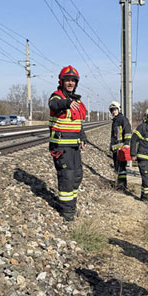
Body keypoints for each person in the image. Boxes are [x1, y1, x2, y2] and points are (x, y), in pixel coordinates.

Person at [48, 66, 87, 222]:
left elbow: (78, 123)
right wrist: (66, 103)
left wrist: (83, 137)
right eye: (67, 80)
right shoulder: (56, 97)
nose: (70, 83)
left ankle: (71, 205)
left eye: (73, 80)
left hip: (74, 146)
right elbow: (54, 105)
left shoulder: (76, 101)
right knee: (67, 176)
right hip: (61, 147)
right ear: (61, 81)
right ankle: (66, 211)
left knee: (77, 176)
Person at [109, 101, 132, 191]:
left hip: (121, 149)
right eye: (112, 110)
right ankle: (119, 183)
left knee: (122, 168)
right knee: (118, 167)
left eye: (115, 110)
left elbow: (128, 131)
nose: (114, 112)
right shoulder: (115, 121)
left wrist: (126, 143)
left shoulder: (122, 119)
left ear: (119, 109)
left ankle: (122, 185)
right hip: (116, 150)